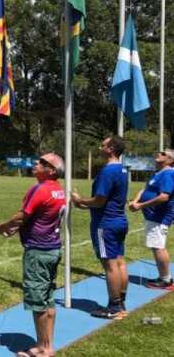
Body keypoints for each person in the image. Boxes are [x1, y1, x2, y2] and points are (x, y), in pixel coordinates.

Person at [0, 153, 66, 357]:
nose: (37, 164)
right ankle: (47, 345)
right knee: (48, 299)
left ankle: (43, 349)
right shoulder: (58, 190)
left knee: (38, 302)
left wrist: (3, 227)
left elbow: (23, 215)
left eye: (43, 163)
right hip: (52, 249)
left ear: (51, 170)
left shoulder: (40, 189)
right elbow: (37, 217)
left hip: (38, 251)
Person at [71, 135, 130, 319]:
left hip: (106, 223)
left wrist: (80, 200)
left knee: (110, 265)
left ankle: (113, 308)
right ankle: (120, 303)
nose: (100, 147)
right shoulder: (122, 170)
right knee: (119, 262)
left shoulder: (107, 172)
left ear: (111, 149)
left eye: (103, 145)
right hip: (119, 221)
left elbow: (99, 200)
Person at [128, 149, 174, 289]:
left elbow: (164, 196)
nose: (159, 154)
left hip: (159, 216)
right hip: (153, 216)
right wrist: (135, 201)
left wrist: (141, 205)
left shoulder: (168, 173)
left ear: (171, 161)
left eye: (164, 154)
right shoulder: (158, 173)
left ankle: (166, 280)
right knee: (155, 246)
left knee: (158, 246)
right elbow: (145, 190)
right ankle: (163, 276)